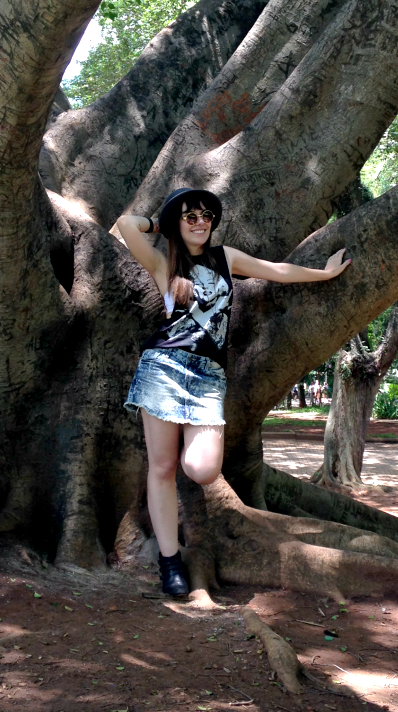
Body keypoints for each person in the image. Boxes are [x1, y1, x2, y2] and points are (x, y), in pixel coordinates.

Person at [114, 187, 351, 596]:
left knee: (202, 468)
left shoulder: (226, 258)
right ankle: (170, 562)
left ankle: (176, 549)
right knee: (162, 468)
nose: (201, 221)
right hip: (164, 367)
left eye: (206, 215)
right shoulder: (163, 261)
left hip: (208, 376)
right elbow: (125, 225)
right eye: (190, 216)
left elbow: (276, 270)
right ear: (178, 223)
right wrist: (162, 223)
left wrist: (322, 274)